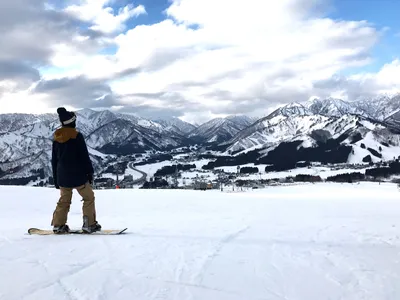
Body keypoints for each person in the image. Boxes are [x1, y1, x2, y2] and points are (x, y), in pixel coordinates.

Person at [51, 107, 101, 234]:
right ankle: (89, 224)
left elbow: (54, 161)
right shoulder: (77, 136)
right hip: (78, 175)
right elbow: (84, 157)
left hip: (62, 175)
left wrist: (56, 179)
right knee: (88, 197)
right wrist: (89, 173)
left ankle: (58, 225)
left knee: (64, 200)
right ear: (72, 122)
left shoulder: (56, 137)